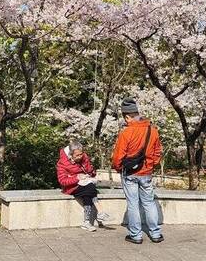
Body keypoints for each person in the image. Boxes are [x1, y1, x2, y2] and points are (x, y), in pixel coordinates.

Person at [111, 97, 163, 245]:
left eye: (125, 118)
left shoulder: (126, 133)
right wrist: (151, 164)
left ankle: (136, 235)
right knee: (149, 202)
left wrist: (117, 167)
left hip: (130, 174)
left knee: (133, 204)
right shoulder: (152, 130)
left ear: (127, 116)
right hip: (146, 172)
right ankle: (156, 234)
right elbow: (158, 151)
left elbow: (118, 156)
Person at [56, 140, 112, 231]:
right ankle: (100, 212)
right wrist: (77, 178)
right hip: (71, 187)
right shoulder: (62, 163)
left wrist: (86, 167)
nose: (79, 156)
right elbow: (62, 181)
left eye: (81, 154)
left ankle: (86, 222)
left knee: (88, 193)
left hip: (85, 184)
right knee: (90, 188)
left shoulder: (84, 158)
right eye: (77, 155)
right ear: (70, 155)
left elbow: (91, 172)